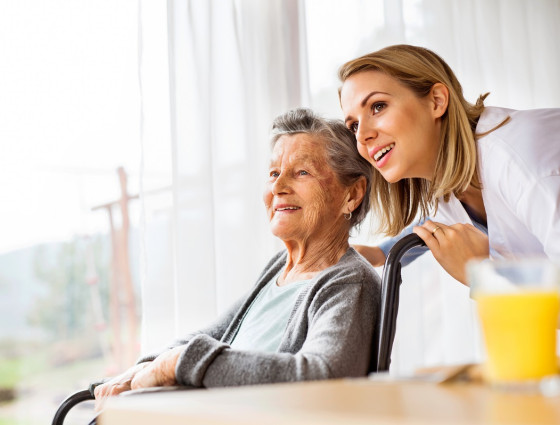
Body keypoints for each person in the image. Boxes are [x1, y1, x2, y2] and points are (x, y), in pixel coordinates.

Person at [93, 108, 380, 412]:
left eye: (302, 172)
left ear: (352, 194)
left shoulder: (350, 283)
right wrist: (146, 366)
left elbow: (323, 378)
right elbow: (213, 334)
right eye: (273, 173)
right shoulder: (279, 269)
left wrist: (177, 364)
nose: (278, 187)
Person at [338, 44, 560, 285]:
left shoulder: (522, 164)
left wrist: (481, 275)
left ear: (436, 101)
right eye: (354, 126)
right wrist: (381, 252)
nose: (361, 136)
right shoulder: (452, 180)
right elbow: (436, 221)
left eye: (378, 106)